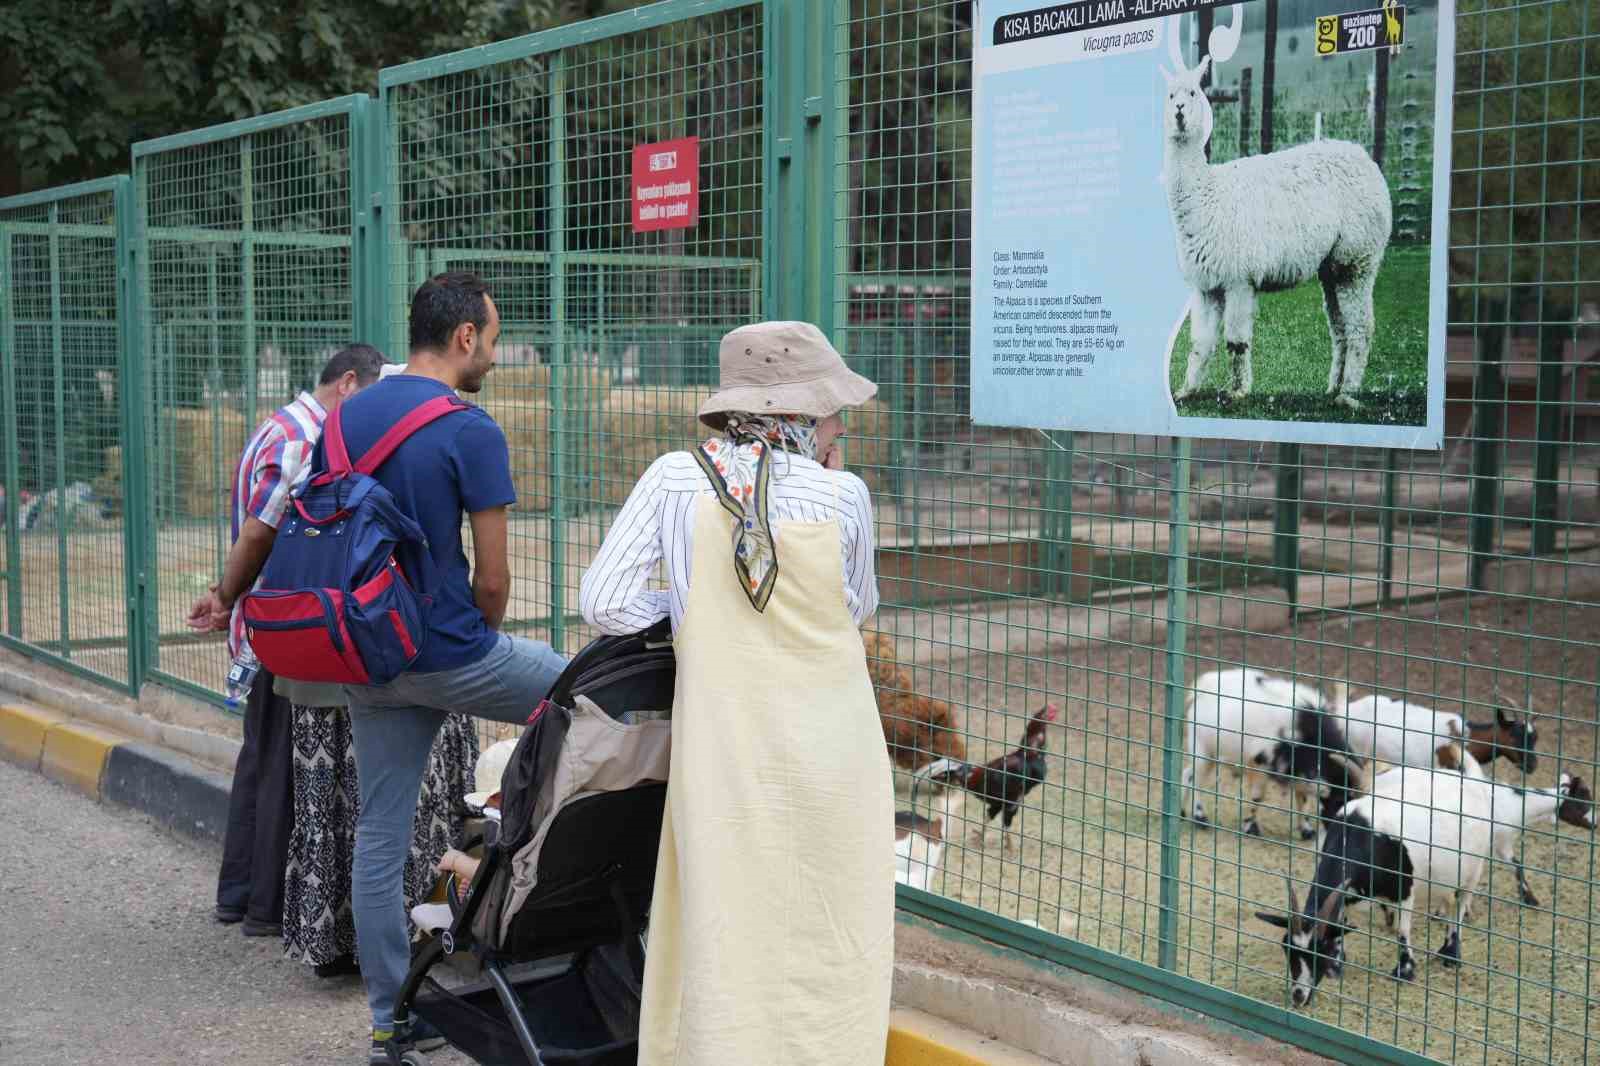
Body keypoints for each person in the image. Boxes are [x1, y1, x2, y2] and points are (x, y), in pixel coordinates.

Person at [578, 320, 894, 1065]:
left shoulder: (673, 478)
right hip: (836, 745)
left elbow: (605, 602)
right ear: (801, 412)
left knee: (724, 913)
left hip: (726, 744)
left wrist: (692, 610)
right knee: (830, 914)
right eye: (833, 410)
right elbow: (856, 607)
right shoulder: (844, 495)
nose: (841, 425)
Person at [314, 272, 567, 1065]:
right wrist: (478, 648)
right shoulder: (469, 427)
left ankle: (390, 1023)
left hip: (365, 652)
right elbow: (492, 579)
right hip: (448, 651)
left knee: (380, 833)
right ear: (464, 338)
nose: (493, 354)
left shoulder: (345, 417)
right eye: (492, 340)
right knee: (592, 691)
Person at [187, 344, 387, 937]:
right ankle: (263, 907)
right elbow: (260, 531)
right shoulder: (306, 438)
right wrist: (226, 594)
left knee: (261, 760)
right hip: (283, 627)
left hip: (267, 622)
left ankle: (240, 896)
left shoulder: (278, 423)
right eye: (369, 397)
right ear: (347, 383)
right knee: (277, 766)